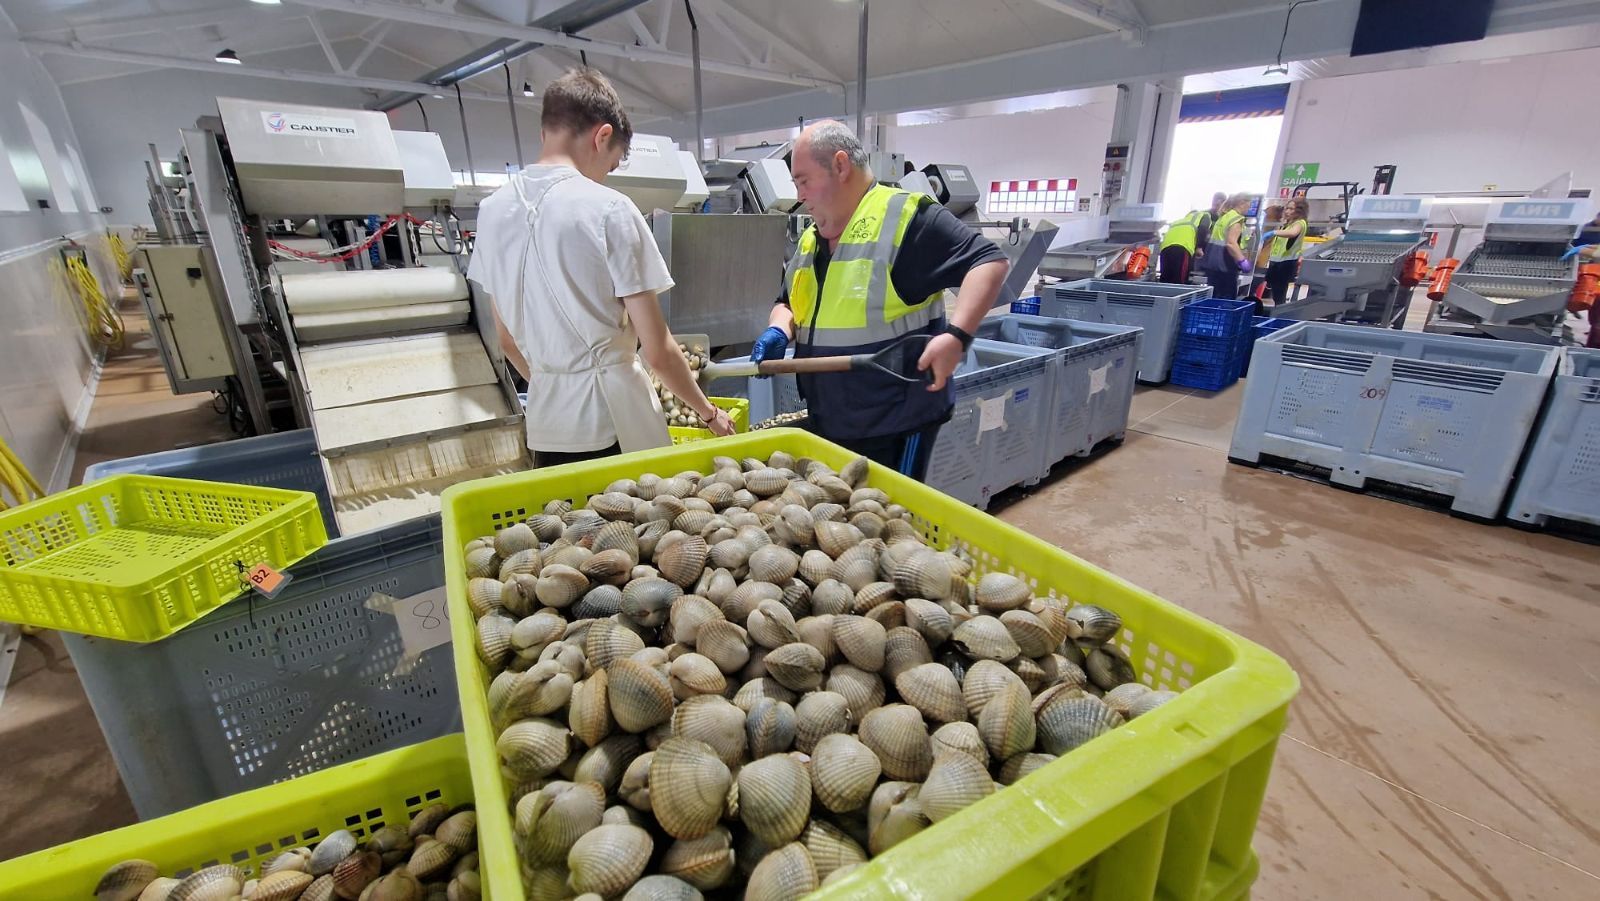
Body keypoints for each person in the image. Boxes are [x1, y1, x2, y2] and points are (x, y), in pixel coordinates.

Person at [469, 68, 733, 468]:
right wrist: (709, 414)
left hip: (547, 426)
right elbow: (658, 351)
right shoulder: (609, 209)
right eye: (610, 165)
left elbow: (506, 340)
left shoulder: (489, 213)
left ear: (545, 132)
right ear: (602, 136)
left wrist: (555, 380)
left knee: (564, 526)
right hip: (614, 426)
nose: (604, 175)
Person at [749, 120, 1008, 479]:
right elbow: (789, 301)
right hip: (832, 420)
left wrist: (957, 336)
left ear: (840, 166)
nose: (800, 195)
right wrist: (779, 330)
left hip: (895, 423)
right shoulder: (812, 238)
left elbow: (988, 262)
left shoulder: (906, 220)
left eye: (803, 181)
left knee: (891, 522)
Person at [1201, 193, 1254, 300]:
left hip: (1212, 264)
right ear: (1242, 203)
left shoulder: (1224, 217)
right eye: (1249, 205)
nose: (1249, 208)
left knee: (1214, 298)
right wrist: (1242, 261)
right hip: (1225, 264)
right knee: (1226, 300)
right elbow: (1231, 243)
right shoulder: (1236, 219)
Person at [1262, 198, 1310, 307]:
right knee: (1276, 293)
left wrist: (1274, 232)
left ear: (1299, 210)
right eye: (1287, 208)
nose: (1287, 211)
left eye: (1291, 209)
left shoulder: (1300, 223)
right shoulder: (1287, 224)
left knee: (1280, 293)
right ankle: (1277, 312)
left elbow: (1292, 233)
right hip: (1277, 262)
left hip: (1286, 263)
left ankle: (1279, 315)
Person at [1158, 207, 1212, 284]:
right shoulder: (1204, 215)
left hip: (1165, 249)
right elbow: (1203, 229)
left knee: (1165, 279)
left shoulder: (1179, 221)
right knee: (1179, 281)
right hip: (1182, 249)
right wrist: (1199, 247)